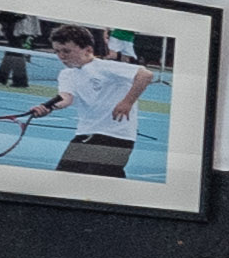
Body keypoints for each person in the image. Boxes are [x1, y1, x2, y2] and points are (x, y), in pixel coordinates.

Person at [37, 23, 155, 178]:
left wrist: (127, 102)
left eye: (66, 51)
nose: (61, 56)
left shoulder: (105, 67)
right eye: (57, 51)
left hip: (116, 136)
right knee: (65, 180)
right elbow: (66, 98)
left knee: (99, 183)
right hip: (85, 133)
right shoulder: (66, 74)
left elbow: (145, 75)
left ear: (88, 50)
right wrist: (48, 107)